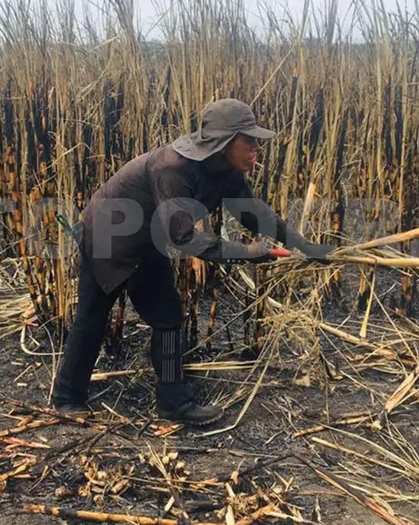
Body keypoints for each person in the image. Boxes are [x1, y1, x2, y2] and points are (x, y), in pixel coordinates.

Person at [51, 98, 330, 425]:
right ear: (224, 142)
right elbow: (181, 237)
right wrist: (246, 253)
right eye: (249, 140)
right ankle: (66, 398)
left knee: (168, 316)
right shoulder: (173, 169)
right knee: (93, 317)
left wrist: (304, 245)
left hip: (147, 240)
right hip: (107, 236)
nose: (257, 148)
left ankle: (173, 402)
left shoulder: (226, 170)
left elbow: (253, 214)